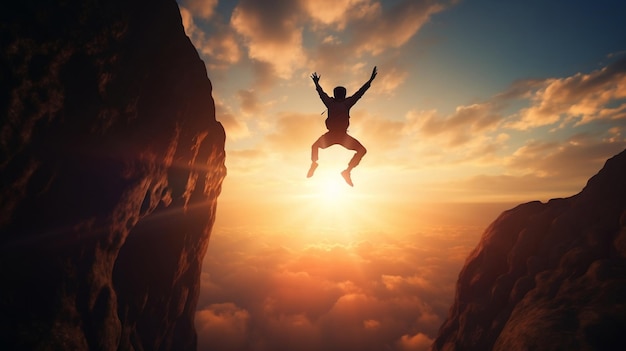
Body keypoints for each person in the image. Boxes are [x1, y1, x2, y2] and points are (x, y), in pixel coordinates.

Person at [307, 66, 377, 186]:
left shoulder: (333, 103)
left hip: (338, 136)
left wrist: (316, 83)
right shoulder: (343, 103)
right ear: (343, 95)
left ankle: (343, 171)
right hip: (338, 136)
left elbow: (321, 94)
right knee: (362, 150)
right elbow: (359, 93)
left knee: (315, 146)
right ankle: (344, 170)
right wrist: (369, 81)